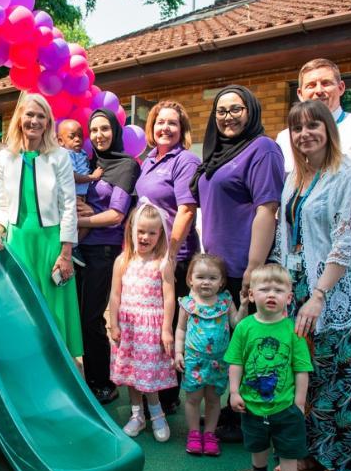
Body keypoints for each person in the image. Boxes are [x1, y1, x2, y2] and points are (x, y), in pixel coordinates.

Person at [274, 100, 351, 471]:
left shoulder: (347, 173)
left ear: (329, 129)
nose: (305, 135)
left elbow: (347, 239)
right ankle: (317, 455)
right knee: (310, 379)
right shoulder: (297, 176)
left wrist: (318, 296)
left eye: (313, 125)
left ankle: (347, 467)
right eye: (297, 128)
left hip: (331, 296)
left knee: (339, 381)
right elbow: (288, 236)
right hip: (300, 290)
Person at [191, 85, 284, 440]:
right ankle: (228, 415)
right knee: (228, 344)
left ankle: (247, 421)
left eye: (236, 109)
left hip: (245, 267)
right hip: (217, 268)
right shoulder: (217, 154)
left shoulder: (263, 149)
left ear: (252, 111)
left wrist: (252, 268)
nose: (228, 117)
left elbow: (267, 208)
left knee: (247, 346)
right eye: (222, 110)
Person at [0, 93, 82, 359]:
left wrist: (66, 254)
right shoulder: (5, 157)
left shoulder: (59, 156)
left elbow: (68, 206)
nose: (35, 121)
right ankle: (28, 363)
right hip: (17, 242)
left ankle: (60, 369)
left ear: (48, 122)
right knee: (22, 308)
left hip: (51, 243)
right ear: (20, 118)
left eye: (41, 116)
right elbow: (2, 203)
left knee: (53, 311)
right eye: (30, 114)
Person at [275, 58, 351, 262]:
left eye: (326, 83)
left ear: (341, 88)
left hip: (348, 252)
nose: (318, 90)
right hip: (296, 254)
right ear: (300, 93)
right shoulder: (286, 137)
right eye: (310, 85)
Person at [225, 264, 312, 471]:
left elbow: (301, 370)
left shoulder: (293, 331)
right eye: (264, 289)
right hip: (251, 403)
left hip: (285, 406)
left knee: (287, 449)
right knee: (256, 441)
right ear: (252, 295)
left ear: (289, 296)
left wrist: (298, 403)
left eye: (278, 289)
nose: (271, 294)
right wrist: (234, 392)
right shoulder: (244, 327)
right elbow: (236, 362)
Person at [137, 101, 201, 414]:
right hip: (150, 257)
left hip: (176, 257)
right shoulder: (147, 161)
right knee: (154, 324)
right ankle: (155, 390)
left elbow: (187, 208)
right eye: (160, 122)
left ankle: (169, 397)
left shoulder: (185, 160)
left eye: (172, 123)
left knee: (172, 325)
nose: (165, 128)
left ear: (182, 130)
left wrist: (171, 254)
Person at [76, 108, 140, 404]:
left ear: (115, 131)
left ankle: (103, 382)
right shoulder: (87, 164)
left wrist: (79, 221)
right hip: (77, 249)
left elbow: (115, 215)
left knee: (92, 318)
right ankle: (86, 377)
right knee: (77, 317)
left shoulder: (125, 165)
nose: (99, 135)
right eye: (94, 130)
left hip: (104, 251)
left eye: (105, 129)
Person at [109, 202, 175, 441]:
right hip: (127, 327)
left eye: (152, 232)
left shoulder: (163, 263)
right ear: (132, 231)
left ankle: (157, 414)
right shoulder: (122, 261)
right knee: (130, 373)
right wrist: (114, 323)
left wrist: (166, 329)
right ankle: (137, 415)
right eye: (141, 231)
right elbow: (115, 294)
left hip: (149, 327)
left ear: (160, 235)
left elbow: (169, 299)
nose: (145, 237)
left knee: (148, 375)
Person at [174, 254, 247, 456]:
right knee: (193, 398)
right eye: (200, 277)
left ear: (222, 282)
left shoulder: (225, 302)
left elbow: (236, 324)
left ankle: (210, 434)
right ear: (190, 279)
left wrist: (243, 306)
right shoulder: (187, 304)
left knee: (214, 399)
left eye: (212, 278)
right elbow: (180, 330)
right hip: (194, 361)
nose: (206, 282)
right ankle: (194, 433)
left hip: (219, 362)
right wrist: (178, 352)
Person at [57, 118, 102, 250]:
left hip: (81, 196)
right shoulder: (66, 154)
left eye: (80, 136)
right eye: (72, 137)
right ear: (60, 141)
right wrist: (92, 177)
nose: (77, 140)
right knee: (89, 217)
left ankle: (73, 245)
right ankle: (73, 247)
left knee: (82, 220)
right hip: (71, 196)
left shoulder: (81, 153)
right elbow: (73, 176)